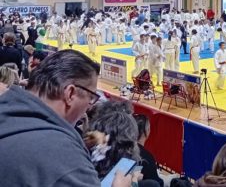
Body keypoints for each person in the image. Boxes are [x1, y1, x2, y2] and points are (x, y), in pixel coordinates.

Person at [0, 49, 135, 187]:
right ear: (70, 93)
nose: (89, 106)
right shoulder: (65, 157)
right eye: (91, 97)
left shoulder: (7, 109)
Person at [133, 114, 164, 186]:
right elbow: (156, 183)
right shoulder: (147, 157)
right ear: (147, 131)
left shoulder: (121, 148)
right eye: (149, 128)